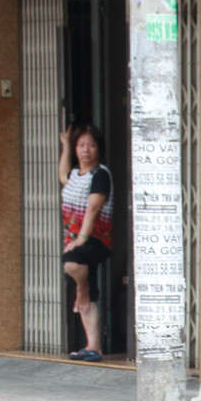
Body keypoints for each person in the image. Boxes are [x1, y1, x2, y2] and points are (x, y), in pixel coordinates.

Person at [58, 124, 113, 362]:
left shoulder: (100, 174)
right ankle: (93, 347)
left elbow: (93, 208)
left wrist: (81, 238)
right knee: (88, 299)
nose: (86, 150)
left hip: (96, 239)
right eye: (82, 145)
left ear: (99, 149)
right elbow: (63, 175)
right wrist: (66, 146)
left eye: (91, 145)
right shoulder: (74, 175)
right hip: (76, 240)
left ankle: (82, 287)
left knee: (72, 263)